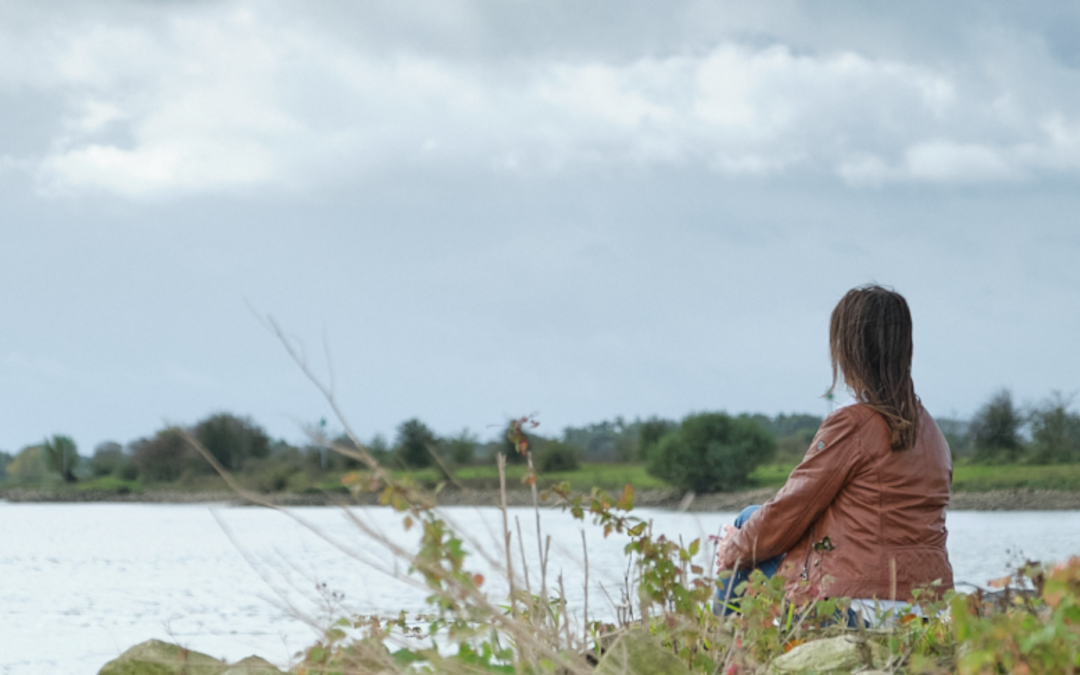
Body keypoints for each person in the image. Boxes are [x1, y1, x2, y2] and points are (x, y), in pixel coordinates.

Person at [714, 285, 953, 621]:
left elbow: (789, 513)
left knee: (746, 523)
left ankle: (722, 654)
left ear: (849, 349)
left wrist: (732, 550)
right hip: (929, 609)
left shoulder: (854, 422)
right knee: (754, 523)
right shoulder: (931, 431)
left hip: (860, 609)